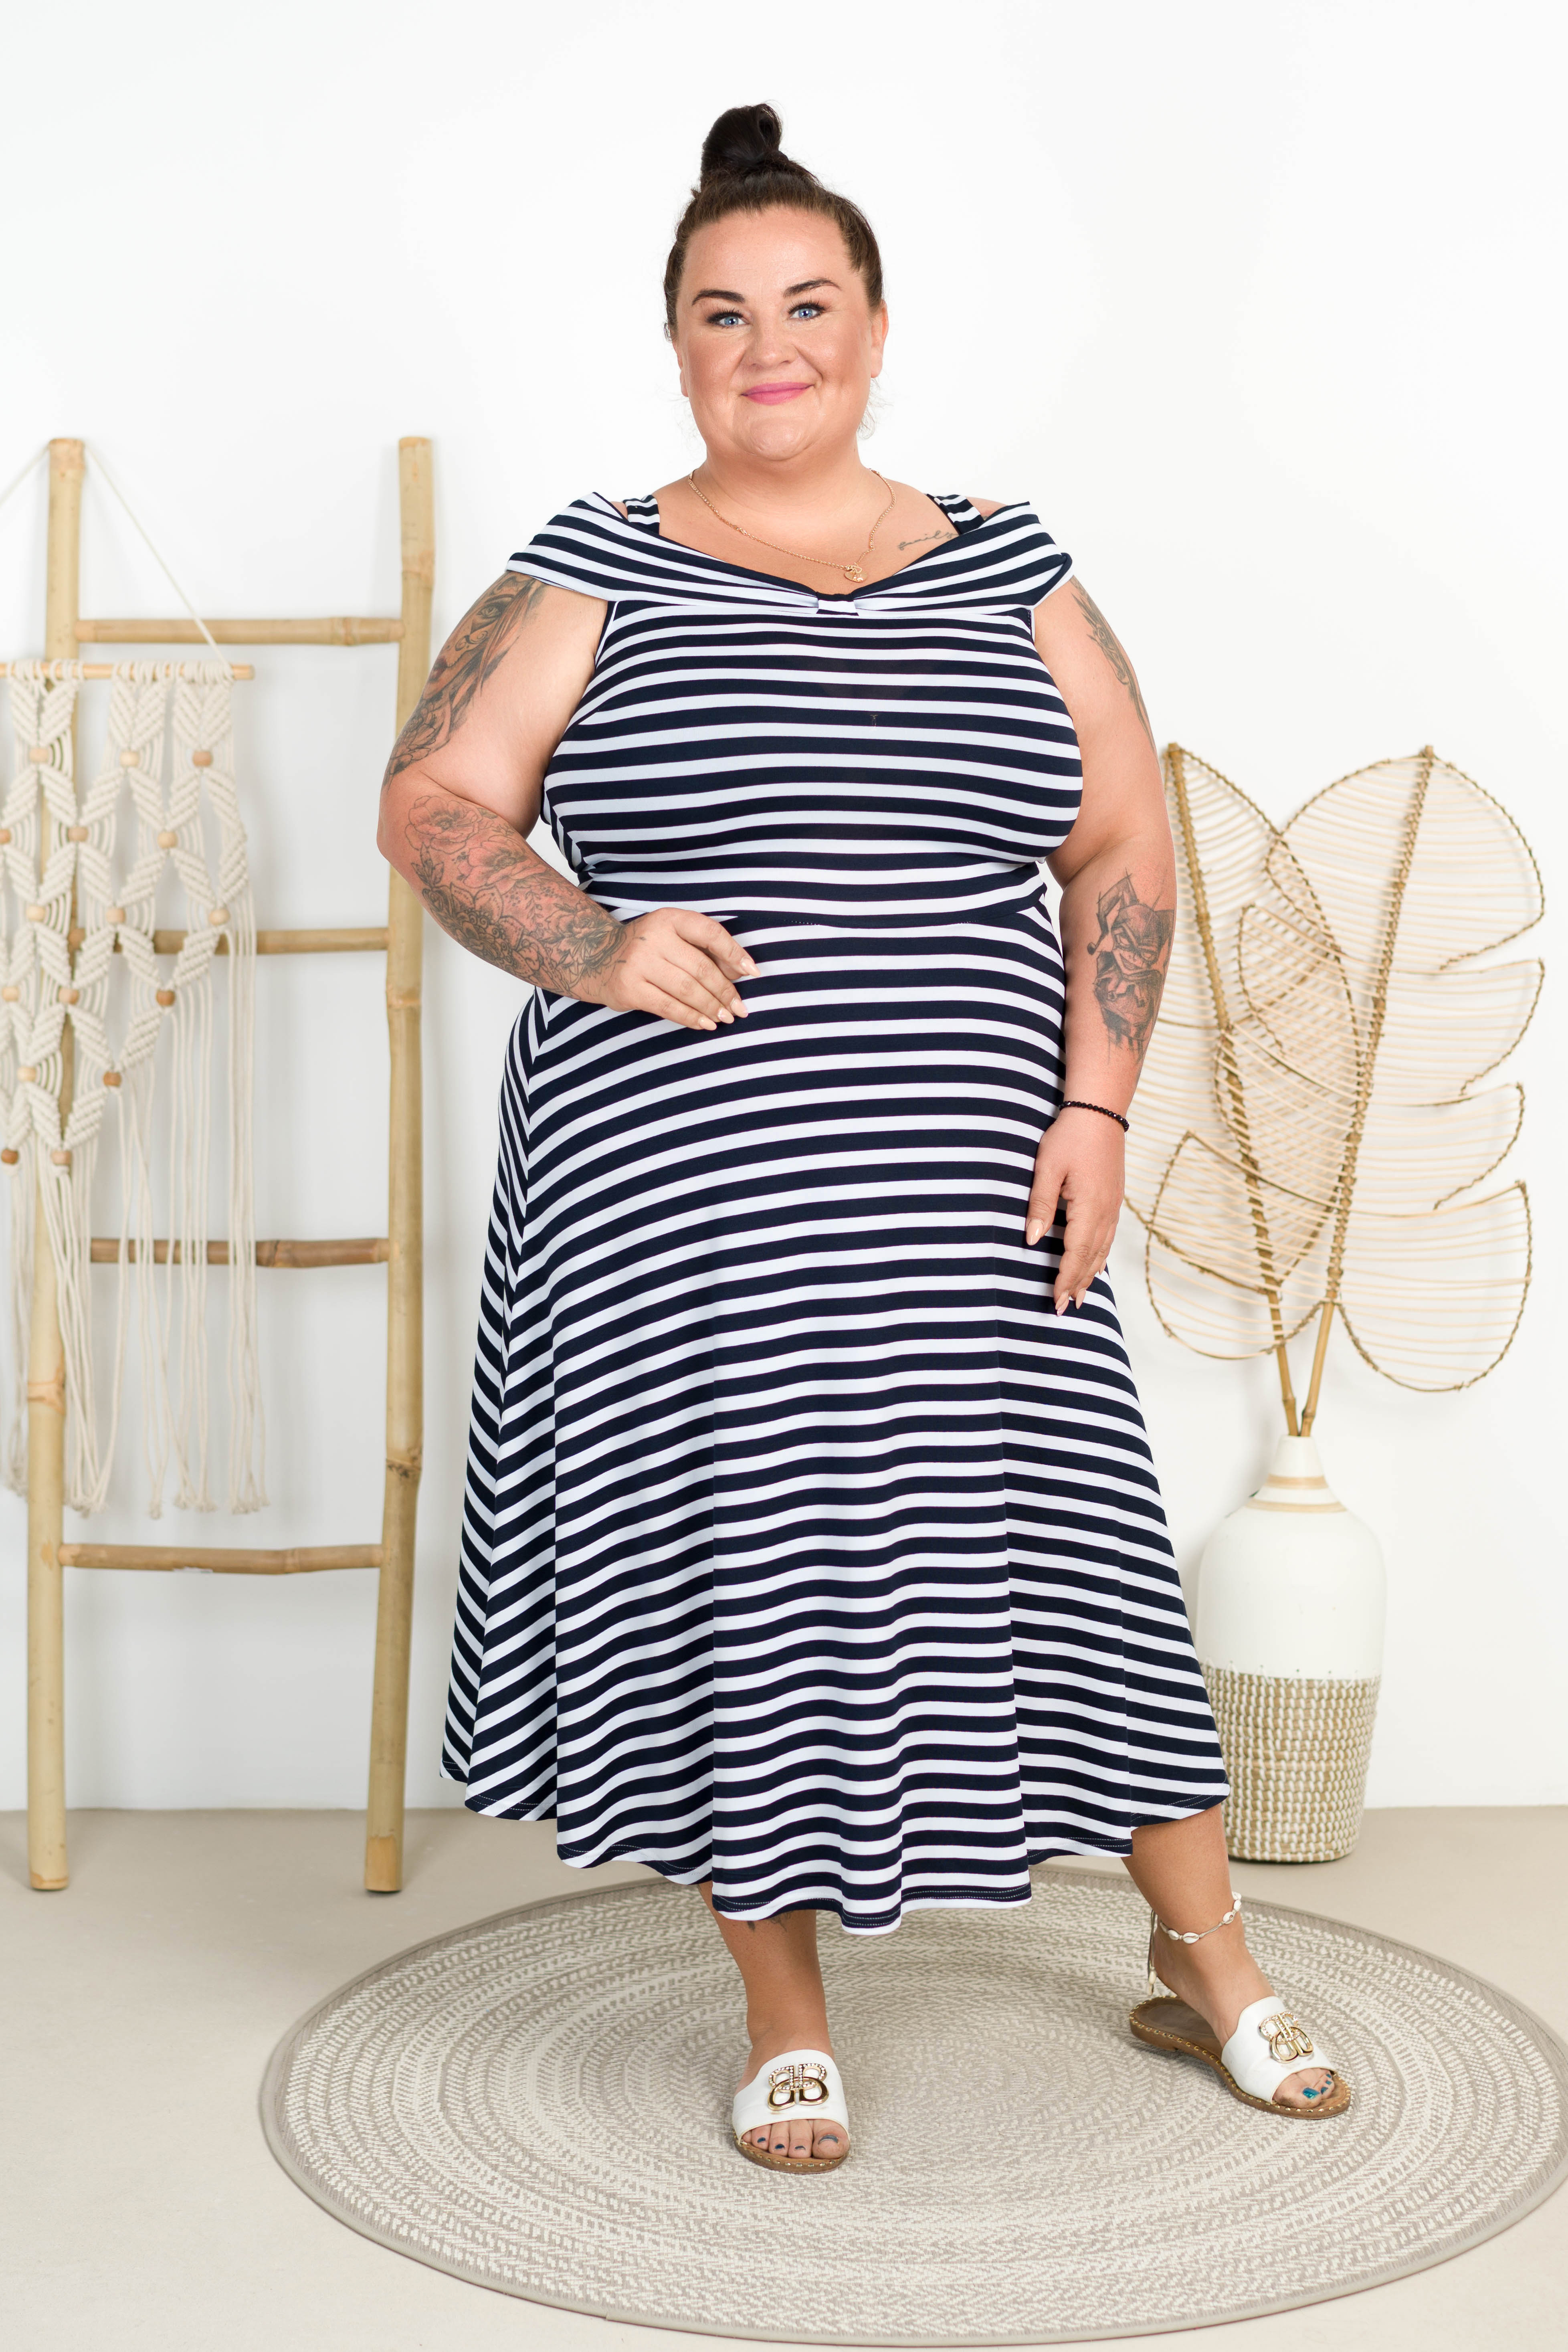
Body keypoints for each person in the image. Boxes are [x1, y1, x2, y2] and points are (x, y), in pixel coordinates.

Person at [378, 102, 1348, 2173]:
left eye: (807, 305)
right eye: (722, 314)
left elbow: (1122, 835)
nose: (769, 347)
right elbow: (433, 807)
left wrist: (1098, 1103)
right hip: (680, 1195)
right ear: (675, 346)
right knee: (746, 1571)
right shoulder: (586, 566)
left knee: (1067, 1544)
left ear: (878, 329)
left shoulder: (1011, 560)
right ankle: (785, 2015)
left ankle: (1209, 1960)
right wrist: (592, 940)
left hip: (973, 1168)